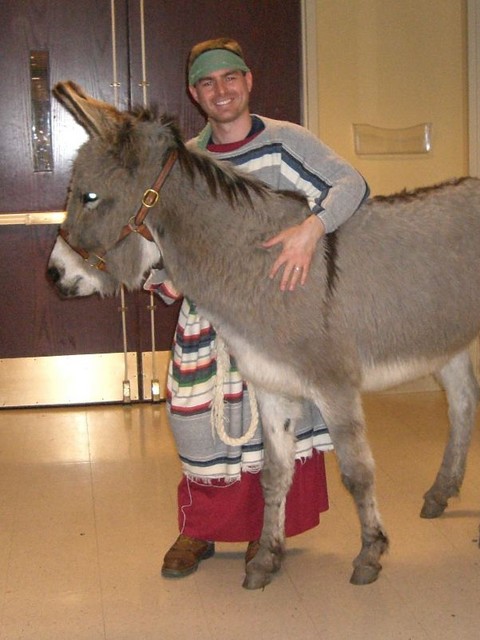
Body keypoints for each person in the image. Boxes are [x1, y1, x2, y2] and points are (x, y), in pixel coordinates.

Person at [149, 37, 369, 578]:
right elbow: (166, 241)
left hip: (275, 317)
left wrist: (308, 232)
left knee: (267, 425)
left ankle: (262, 530)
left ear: (248, 81)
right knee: (194, 420)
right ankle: (199, 528)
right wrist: (166, 277)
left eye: (230, 78)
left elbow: (352, 185)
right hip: (207, 318)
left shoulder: (285, 142)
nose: (220, 91)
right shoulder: (188, 161)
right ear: (194, 95)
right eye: (207, 83)